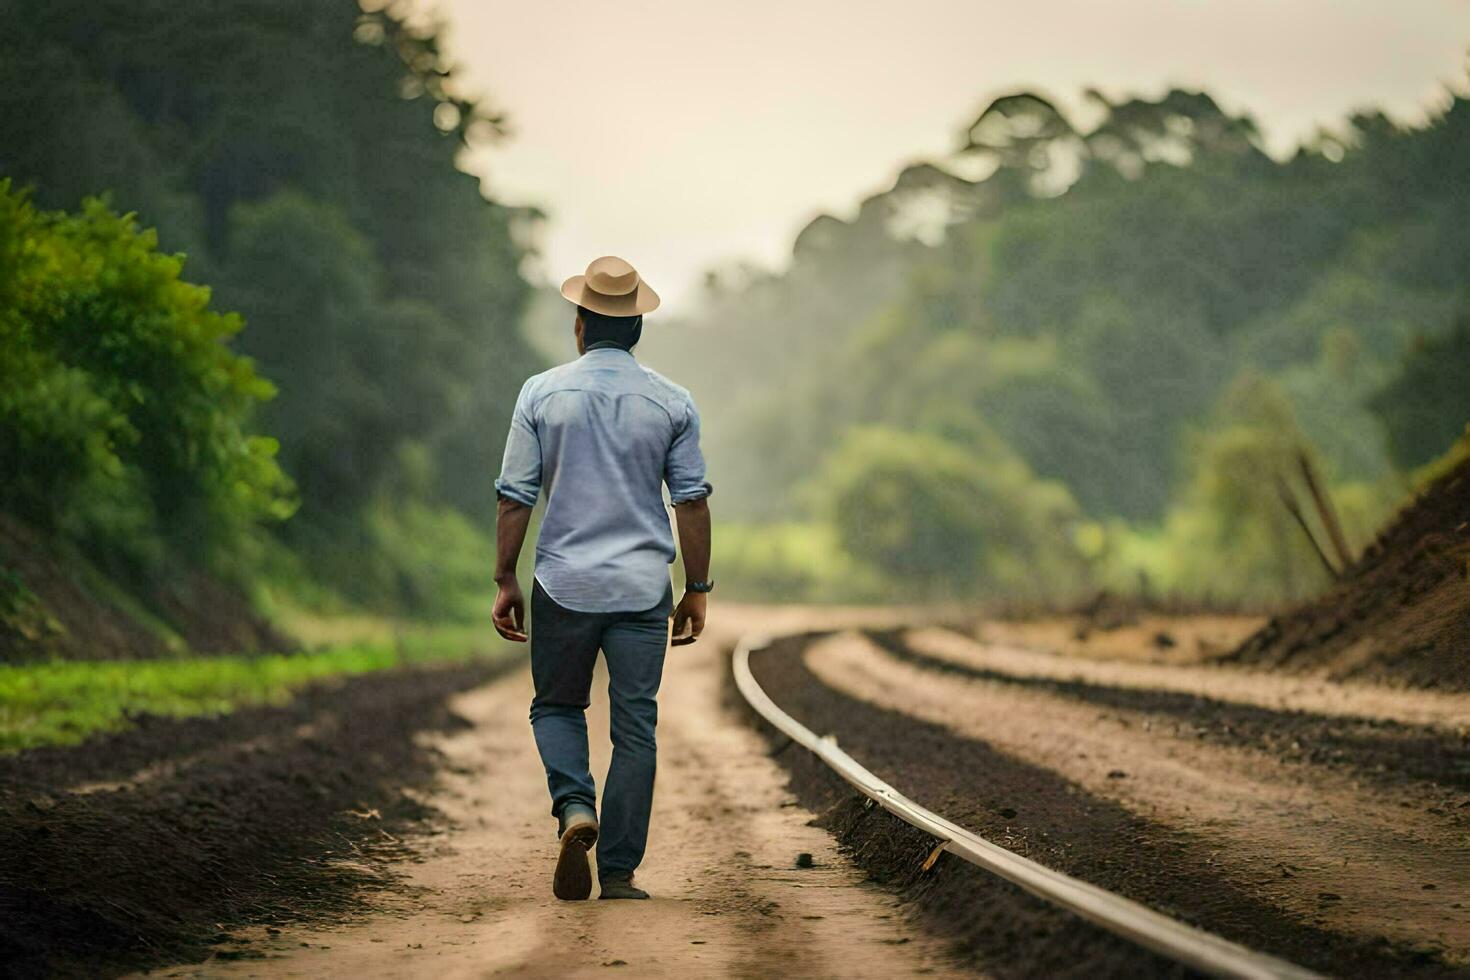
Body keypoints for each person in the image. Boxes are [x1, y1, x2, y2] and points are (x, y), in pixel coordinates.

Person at [492, 255, 713, 902]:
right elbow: (692, 501)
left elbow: (515, 495)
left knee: (558, 706)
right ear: (638, 328)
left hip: (563, 583)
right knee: (635, 725)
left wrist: (506, 577)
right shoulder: (673, 402)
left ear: (580, 324)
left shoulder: (541, 392)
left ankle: (574, 807)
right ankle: (617, 872)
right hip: (643, 588)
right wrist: (695, 589)